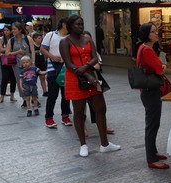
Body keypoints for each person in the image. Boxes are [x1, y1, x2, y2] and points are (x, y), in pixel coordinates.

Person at [59, 14, 120, 157]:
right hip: (75, 79)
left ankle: (105, 144)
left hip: (92, 78)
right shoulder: (65, 42)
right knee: (79, 113)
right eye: (77, 24)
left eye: (82, 24)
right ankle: (83, 145)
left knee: (101, 109)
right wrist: (85, 73)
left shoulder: (88, 39)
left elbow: (95, 57)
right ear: (70, 26)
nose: (81, 27)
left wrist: (85, 67)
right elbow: (68, 64)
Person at [137, 22, 169, 169]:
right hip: (151, 91)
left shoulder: (144, 48)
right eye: (153, 32)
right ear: (146, 34)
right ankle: (151, 159)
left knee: (153, 124)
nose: (156, 33)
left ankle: (153, 152)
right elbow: (159, 70)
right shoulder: (147, 50)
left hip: (147, 91)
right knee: (152, 125)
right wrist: (163, 66)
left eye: (156, 31)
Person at [40, 17, 72, 128]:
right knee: (52, 94)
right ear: (64, 24)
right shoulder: (51, 35)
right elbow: (42, 48)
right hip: (52, 68)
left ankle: (65, 116)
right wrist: (53, 57)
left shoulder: (70, 37)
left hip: (66, 68)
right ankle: (49, 118)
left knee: (66, 94)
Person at [82, 30, 114, 137]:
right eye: (84, 38)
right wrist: (89, 66)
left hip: (94, 81)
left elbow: (97, 66)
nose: (87, 40)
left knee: (99, 106)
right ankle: (83, 128)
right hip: (80, 82)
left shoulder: (94, 52)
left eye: (88, 38)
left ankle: (103, 126)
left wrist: (84, 66)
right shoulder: (78, 51)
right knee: (82, 107)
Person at [5, 22, 35, 103]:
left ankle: (33, 98)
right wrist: (18, 52)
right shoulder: (11, 40)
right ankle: (25, 99)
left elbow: (32, 51)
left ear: (20, 29)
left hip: (29, 64)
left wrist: (33, 63)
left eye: (15, 29)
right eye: (12, 29)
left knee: (31, 80)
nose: (13, 30)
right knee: (20, 82)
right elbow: (7, 53)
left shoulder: (28, 38)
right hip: (17, 65)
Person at [0, 25, 17, 103]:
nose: (6, 32)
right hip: (4, 61)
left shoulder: (14, 39)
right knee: (4, 78)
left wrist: (7, 51)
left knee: (13, 78)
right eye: (4, 30)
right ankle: (1, 95)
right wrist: (10, 50)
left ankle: (12, 95)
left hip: (14, 61)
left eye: (7, 30)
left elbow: (15, 49)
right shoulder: (1, 39)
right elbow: (0, 49)